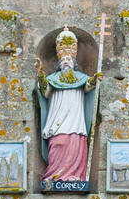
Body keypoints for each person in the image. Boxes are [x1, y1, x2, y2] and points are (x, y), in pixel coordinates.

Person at [35, 26, 100, 183]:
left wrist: (94, 79)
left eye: (68, 59)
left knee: (75, 143)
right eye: (63, 60)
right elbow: (45, 91)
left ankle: (75, 176)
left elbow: (88, 87)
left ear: (74, 63)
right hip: (57, 116)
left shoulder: (81, 77)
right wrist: (41, 75)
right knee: (58, 142)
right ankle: (54, 175)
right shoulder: (53, 79)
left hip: (75, 118)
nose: (65, 62)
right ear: (59, 63)